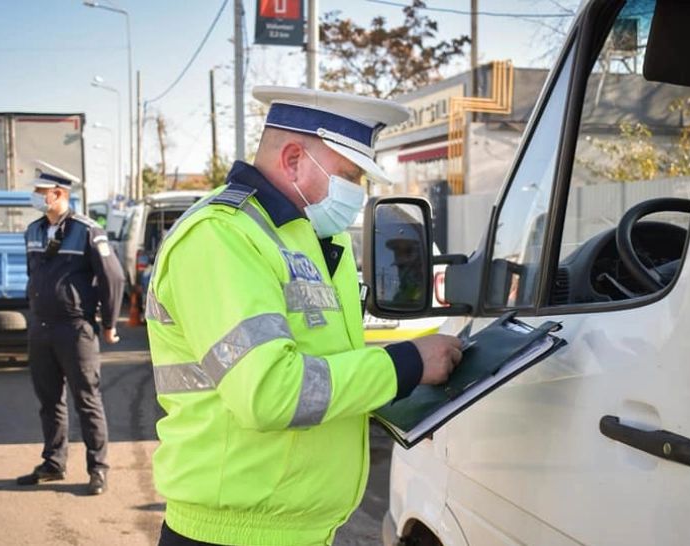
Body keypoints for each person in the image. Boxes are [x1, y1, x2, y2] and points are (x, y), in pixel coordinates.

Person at [145, 86, 464, 546]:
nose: (357, 194)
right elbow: (271, 391)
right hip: (231, 536)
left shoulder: (307, 240)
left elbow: (327, 368)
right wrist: (406, 364)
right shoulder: (221, 237)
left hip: (297, 531)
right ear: (293, 159)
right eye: (350, 175)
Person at [16, 161, 124, 496]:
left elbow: (113, 278)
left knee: (86, 400)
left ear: (58, 193)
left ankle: (98, 469)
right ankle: (53, 462)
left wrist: (108, 324)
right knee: (49, 401)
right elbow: (33, 275)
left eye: (39, 191)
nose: (35, 197)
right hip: (41, 329)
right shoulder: (33, 231)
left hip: (75, 329)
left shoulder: (87, 230)